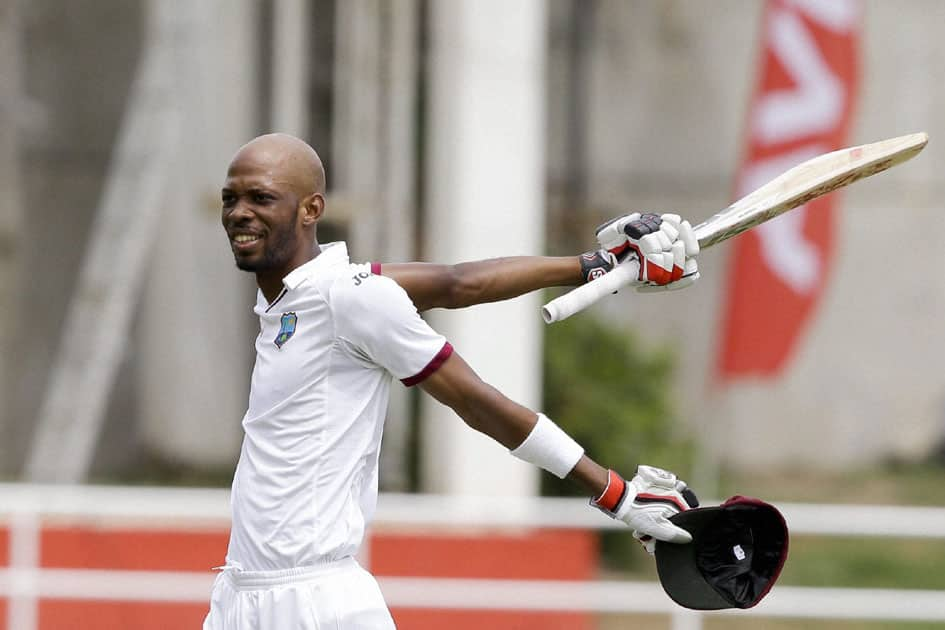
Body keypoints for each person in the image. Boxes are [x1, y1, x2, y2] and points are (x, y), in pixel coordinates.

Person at [204, 133, 701, 630]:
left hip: (311, 603)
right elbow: (458, 282)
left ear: (311, 208)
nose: (239, 212)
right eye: (231, 198)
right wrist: (596, 266)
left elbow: (475, 401)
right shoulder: (302, 297)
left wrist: (614, 493)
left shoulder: (351, 299)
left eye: (261, 198)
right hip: (239, 596)